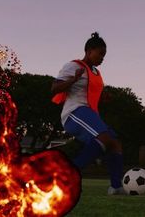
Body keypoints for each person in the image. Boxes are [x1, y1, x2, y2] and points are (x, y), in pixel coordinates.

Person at [51, 32, 125, 195]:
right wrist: (73, 80)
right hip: (74, 113)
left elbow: (92, 93)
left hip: (89, 114)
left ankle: (116, 187)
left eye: (104, 56)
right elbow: (54, 88)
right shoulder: (74, 66)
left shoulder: (97, 73)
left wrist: (104, 97)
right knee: (104, 139)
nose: (102, 59)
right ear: (89, 51)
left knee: (114, 143)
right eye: (100, 54)